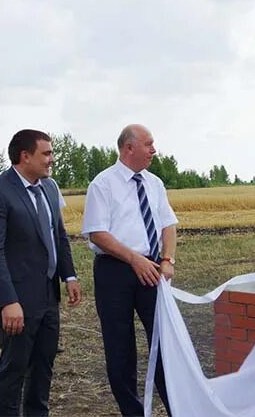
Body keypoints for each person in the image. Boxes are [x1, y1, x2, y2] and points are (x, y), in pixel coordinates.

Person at [0, 129, 82, 416]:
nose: (52, 160)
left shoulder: (48, 187)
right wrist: (8, 301)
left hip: (48, 295)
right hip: (17, 298)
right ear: (25, 156)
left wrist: (68, 276)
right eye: (46, 153)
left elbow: (57, 234)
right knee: (14, 369)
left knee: (43, 365)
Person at [82, 124, 177, 416]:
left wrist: (167, 260)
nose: (154, 149)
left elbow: (167, 224)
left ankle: (177, 406)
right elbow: (97, 232)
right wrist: (133, 259)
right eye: (148, 144)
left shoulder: (155, 183)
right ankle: (133, 412)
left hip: (153, 267)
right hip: (115, 271)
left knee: (163, 340)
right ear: (128, 148)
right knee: (120, 346)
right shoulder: (103, 184)